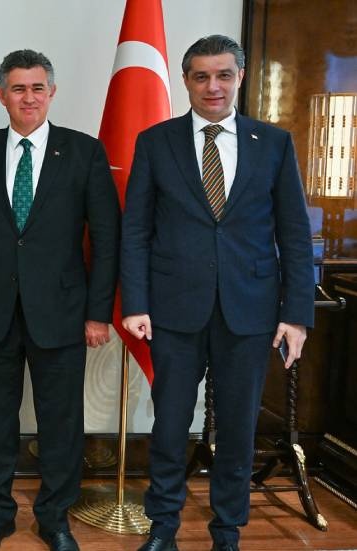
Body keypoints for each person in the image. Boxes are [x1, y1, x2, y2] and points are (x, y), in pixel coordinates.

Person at [121, 35, 314, 551]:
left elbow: (295, 235)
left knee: (237, 429)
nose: (213, 86)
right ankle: (163, 527)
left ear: (240, 77)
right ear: (186, 80)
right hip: (173, 311)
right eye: (202, 76)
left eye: (224, 75)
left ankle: (227, 532)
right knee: (168, 426)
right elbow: (135, 230)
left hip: (249, 313)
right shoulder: (155, 142)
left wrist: (296, 314)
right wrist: (135, 302)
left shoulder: (273, 143)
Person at [0, 49, 120, 551]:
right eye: (17, 88)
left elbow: (107, 240)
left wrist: (98, 313)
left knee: (61, 422)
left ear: (51, 93)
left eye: (36, 88)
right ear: (1, 95)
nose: (27, 98)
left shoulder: (84, 152)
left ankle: (54, 517)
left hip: (63, 313)